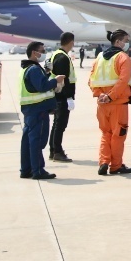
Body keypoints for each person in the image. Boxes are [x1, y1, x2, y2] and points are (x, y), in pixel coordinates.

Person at [90, 29, 131, 176]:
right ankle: (116, 166)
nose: (127, 44)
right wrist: (110, 96)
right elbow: (123, 81)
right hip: (117, 104)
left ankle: (103, 162)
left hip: (102, 105)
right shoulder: (123, 58)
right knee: (118, 135)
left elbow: (91, 80)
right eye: (126, 41)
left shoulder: (99, 58)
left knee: (105, 134)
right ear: (118, 41)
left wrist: (100, 95)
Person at [19, 40, 61, 180]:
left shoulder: (26, 68)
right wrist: (56, 80)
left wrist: (47, 73)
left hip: (30, 110)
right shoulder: (34, 69)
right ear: (34, 53)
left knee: (27, 141)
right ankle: (38, 170)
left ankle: (26, 169)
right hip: (38, 110)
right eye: (42, 51)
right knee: (37, 142)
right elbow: (42, 87)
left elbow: (35, 85)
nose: (44, 53)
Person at [46, 32, 77, 163]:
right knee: (60, 125)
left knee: (56, 124)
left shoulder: (55, 54)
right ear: (71, 42)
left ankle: (53, 150)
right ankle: (57, 151)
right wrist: (68, 97)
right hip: (62, 97)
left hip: (57, 96)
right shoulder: (63, 57)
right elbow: (62, 80)